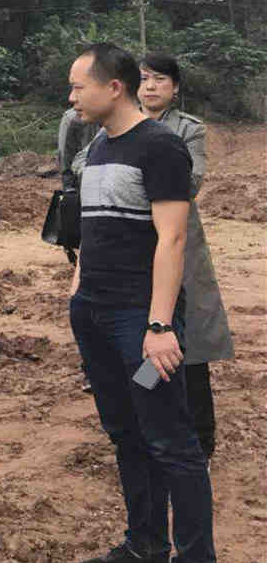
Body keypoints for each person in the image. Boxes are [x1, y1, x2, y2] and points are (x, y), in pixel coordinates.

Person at [68, 44, 215, 563]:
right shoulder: (99, 147)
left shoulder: (161, 147)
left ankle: (195, 558)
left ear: (114, 87)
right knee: (126, 433)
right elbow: (93, 230)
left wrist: (159, 325)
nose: (71, 97)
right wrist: (78, 292)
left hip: (139, 323)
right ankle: (144, 546)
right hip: (94, 315)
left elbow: (172, 239)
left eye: (78, 87)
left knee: (171, 441)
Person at [73, 54, 234, 461]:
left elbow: (190, 181)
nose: (150, 87)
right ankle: (149, 437)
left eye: (160, 80)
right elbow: (82, 166)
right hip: (125, 255)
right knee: (138, 356)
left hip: (176, 245)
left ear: (175, 88)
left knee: (185, 347)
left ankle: (201, 442)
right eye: (145, 79)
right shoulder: (111, 128)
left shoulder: (185, 130)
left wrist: (139, 165)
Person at [58, 106, 100, 193]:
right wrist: (68, 180)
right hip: (78, 168)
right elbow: (64, 152)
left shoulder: (105, 114)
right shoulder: (71, 117)